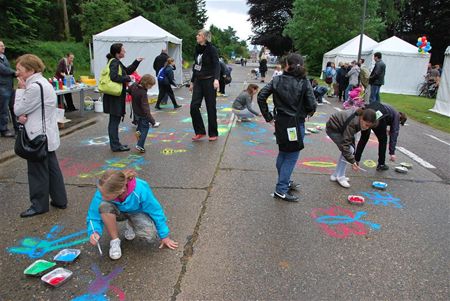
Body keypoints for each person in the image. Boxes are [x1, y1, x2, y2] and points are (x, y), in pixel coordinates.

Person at [14, 54, 67, 217]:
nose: (17, 73)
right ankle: (60, 199)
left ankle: (39, 205)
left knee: (37, 172)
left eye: (19, 70)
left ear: (30, 70)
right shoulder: (44, 83)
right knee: (52, 169)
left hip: (36, 136)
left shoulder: (34, 87)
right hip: (47, 134)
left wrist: (20, 90)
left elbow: (18, 109)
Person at [257, 53, 316, 202]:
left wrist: (269, 116)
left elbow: (261, 96)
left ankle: (285, 182)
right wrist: (309, 112)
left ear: (287, 65)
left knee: (283, 153)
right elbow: (311, 104)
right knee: (291, 156)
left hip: (281, 122)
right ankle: (281, 189)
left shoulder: (277, 80)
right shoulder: (304, 82)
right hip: (295, 123)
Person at [86, 170, 178, 260]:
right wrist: (94, 231)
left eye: (105, 196)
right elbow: (93, 214)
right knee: (103, 206)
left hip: (136, 212)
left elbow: (156, 211)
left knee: (150, 234)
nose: (101, 197)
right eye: (101, 194)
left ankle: (131, 224)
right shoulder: (104, 189)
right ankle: (115, 241)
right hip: (116, 211)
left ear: (120, 191)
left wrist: (164, 236)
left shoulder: (140, 189)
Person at [103, 43, 143, 152]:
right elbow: (114, 77)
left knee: (114, 120)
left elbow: (127, 70)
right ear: (117, 52)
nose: (124, 51)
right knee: (114, 121)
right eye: (123, 50)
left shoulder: (116, 62)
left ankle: (116, 144)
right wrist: (128, 78)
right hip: (114, 96)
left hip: (115, 96)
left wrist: (136, 61)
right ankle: (115, 146)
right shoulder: (114, 62)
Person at [326, 108, 377, 188]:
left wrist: (352, 157)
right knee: (348, 149)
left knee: (350, 149)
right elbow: (345, 145)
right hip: (333, 128)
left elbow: (349, 138)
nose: (367, 128)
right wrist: (353, 161)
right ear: (362, 118)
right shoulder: (353, 123)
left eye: (369, 126)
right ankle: (341, 177)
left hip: (341, 128)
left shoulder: (360, 120)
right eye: (366, 125)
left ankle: (336, 174)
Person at [355, 103, 407, 171]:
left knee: (364, 138)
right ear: (401, 119)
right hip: (378, 118)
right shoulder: (396, 116)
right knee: (383, 140)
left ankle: (356, 160)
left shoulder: (391, 109)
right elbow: (394, 133)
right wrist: (392, 152)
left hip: (369, 113)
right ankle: (381, 164)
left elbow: (384, 118)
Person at [189, 29, 220, 142]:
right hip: (198, 81)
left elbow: (217, 65)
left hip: (209, 81)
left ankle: (213, 133)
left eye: (199, 35)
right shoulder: (197, 49)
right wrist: (192, 82)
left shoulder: (212, 49)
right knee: (193, 106)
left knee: (210, 107)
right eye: (197, 34)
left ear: (205, 37)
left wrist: (216, 79)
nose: (196, 36)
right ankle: (200, 131)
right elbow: (196, 66)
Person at [129, 74, 160, 153]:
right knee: (145, 129)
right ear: (146, 83)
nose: (151, 87)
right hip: (143, 114)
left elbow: (129, 90)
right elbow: (146, 109)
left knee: (140, 125)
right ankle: (140, 145)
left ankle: (138, 132)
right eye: (150, 86)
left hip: (136, 112)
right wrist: (153, 122)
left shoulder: (135, 85)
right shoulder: (143, 93)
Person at [0, 40, 16, 137]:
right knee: (3, 109)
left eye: (3, 45)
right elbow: (4, 70)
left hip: (9, 86)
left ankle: (16, 127)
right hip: (2, 87)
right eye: (1, 46)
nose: (3, 47)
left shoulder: (4, 57)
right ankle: (3, 129)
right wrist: (15, 73)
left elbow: (8, 69)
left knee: (12, 107)